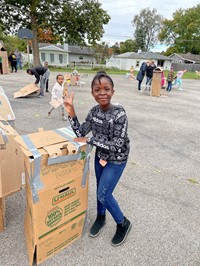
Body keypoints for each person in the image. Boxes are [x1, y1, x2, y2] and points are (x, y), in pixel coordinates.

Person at [64, 72, 132, 246]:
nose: (102, 92)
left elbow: (117, 144)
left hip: (117, 159)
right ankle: (101, 218)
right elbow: (81, 133)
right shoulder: (93, 112)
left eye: (106, 89)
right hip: (100, 157)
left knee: (104, 193)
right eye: (97, 89)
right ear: (92, 93)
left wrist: (90, 140)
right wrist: (71, 111)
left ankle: (123, 223)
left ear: (113, 92)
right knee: (100, 191)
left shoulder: (119, 114)